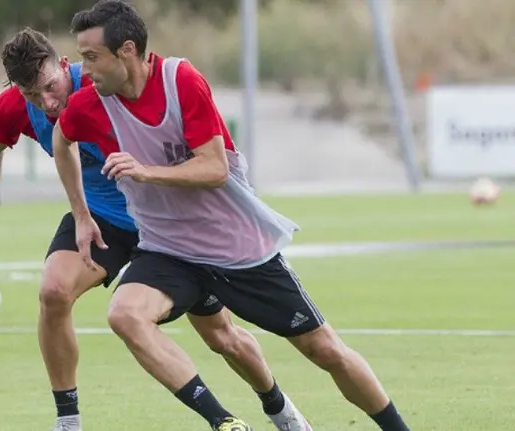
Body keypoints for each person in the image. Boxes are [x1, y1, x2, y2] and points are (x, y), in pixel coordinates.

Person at [52, 1, 412, 431]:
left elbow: (214, 168)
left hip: (237, 249)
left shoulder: (180, 81)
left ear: (127, 50)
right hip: (169, 250)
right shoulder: (88, 104)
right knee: (124, 315)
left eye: (92, 57)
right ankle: (223, 421)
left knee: (324, 351)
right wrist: (81, 212)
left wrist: (146, 172)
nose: (83, 69)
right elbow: (62, 140)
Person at [0, 27, 312, 431]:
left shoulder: (107, 85)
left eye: (49, 87)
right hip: (99, 219)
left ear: (63, 65)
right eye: (31, 95)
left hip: (166, 223)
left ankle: (278, 407)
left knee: (221, 337)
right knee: (53, 292)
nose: (47, 102)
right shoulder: (15, 107)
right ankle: (69, 421)